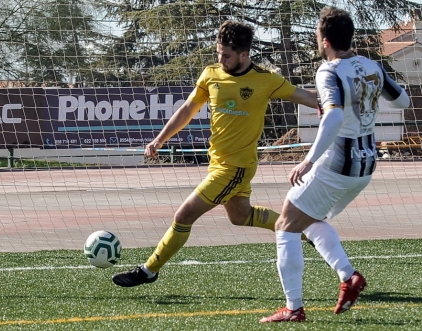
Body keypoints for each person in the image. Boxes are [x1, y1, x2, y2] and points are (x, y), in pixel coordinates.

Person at [112, 20, 317, 288]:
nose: (221, 59)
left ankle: (148, 270)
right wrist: (160, 139)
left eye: (227, 55)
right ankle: (309, 230)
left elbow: (309, 98)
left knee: (183, 216)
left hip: (235, 167)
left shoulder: (267, 80)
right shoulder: (210, 75)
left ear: (244, 55)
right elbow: (187, 109)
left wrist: (344, 99)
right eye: (218, 53)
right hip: (218, 163)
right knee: (241, 217)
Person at [260, 6, 410, 323]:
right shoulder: (372, 66)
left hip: (339, 163)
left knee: (285, 225)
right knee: (310, 221)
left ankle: (294, 308)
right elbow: (403, 101)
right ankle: (348, 276)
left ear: (324, 40)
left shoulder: (329, 71)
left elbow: (335, 115)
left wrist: (308, 159)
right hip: (367, 163)